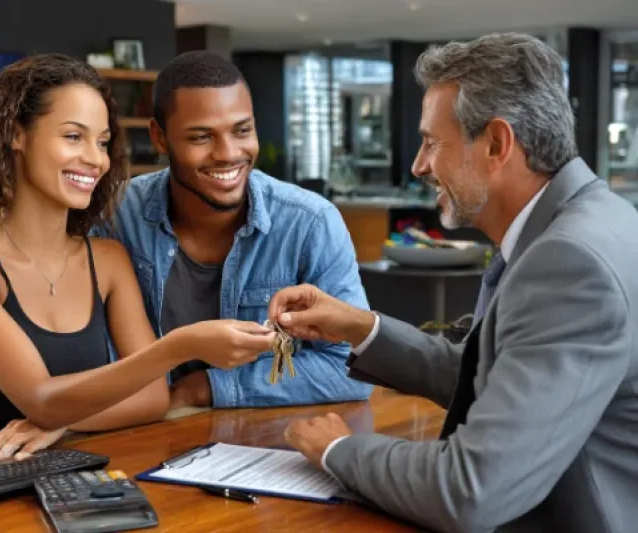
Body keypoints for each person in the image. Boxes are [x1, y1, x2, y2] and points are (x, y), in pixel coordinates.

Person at [0, 50, 371, 457]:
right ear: (159, 138)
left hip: (221, 444)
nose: (228, 154)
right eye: (200, 136)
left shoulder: (305, 222)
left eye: (102, 141)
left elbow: (350, 366)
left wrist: (197, 386)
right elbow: (16, 360)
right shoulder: (115, 216)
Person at [269, 33, 638, 533]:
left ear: (496, 144)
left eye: (431, 142)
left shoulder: (567, 262)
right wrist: (358, 326)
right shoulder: (597, 217)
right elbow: (490, 374)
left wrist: (337, 449)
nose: (420, 165)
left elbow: (470, 490)